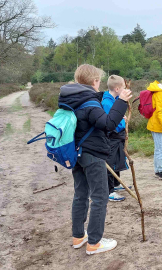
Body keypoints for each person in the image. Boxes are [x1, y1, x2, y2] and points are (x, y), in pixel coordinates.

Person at [60, 64, 132, 254]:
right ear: (95, 81)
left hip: (77, 152)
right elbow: (108, 124)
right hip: (92, 154)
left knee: (81, 194)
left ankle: (78, 237)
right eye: (99, 80)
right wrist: (122, 101)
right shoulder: (89, 102)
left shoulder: (72, 99)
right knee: (99, 197)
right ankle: (94, 242)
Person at [102, 75, 129, 202]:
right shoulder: (107, 102)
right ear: (117, 88)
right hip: (112, 137)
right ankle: (109, 191)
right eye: (123, 87)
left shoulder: (115, 99)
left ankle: (115, 184)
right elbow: (112, 123)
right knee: (110, 162)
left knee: (117, 160)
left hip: (118, 137)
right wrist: (122, 123)